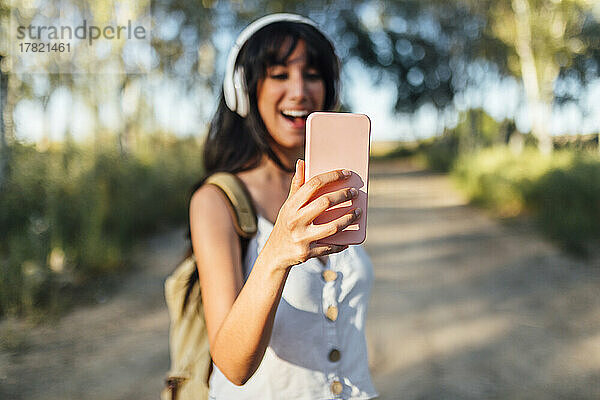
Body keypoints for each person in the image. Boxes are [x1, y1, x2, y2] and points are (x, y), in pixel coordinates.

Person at [188, 13, 378, 399]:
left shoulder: (340, 185)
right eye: (278, 74)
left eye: (312, 74)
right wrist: (276, 253)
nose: (299, 91)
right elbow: (232, 364)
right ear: (245, 90)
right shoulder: (217, 200)